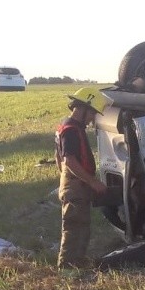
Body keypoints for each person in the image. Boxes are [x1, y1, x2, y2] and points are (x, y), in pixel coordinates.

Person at [54, 87, 111, 269]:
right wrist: (92, 182)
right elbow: (69, 160)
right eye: (93, 114)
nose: (93, 119)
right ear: (84, 108)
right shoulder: (71, 130)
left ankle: (78, 262)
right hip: (76, 186)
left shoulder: (68, 125)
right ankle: (67, 269)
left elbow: (59, 159)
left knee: (82, 226)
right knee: (73, 229)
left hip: (74, 184)